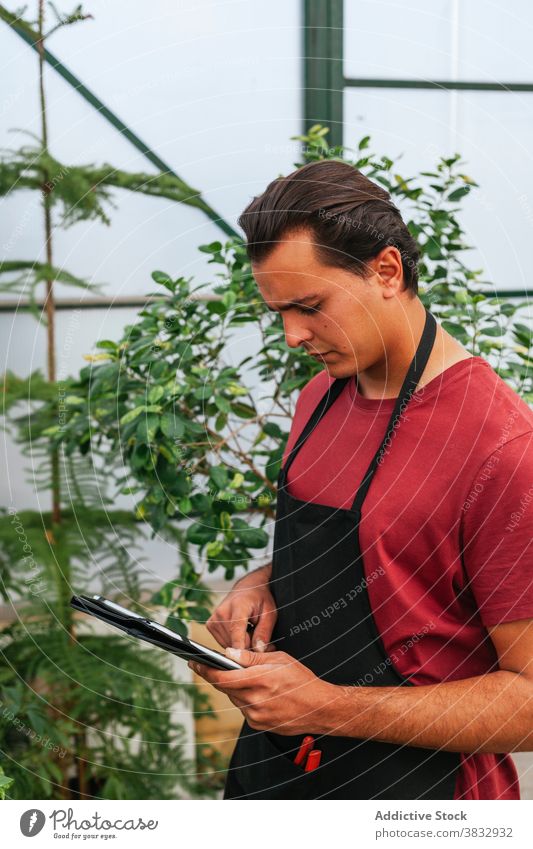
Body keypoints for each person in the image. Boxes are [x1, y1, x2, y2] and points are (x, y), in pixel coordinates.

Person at [190, 160, 533, 800]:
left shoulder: (504, 450)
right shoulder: (318, 398)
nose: (292, 336)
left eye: (310, 306)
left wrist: (325, 707)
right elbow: (392, 556)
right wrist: (263, 585)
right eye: (279, 312)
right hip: (280, 774)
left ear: (386, 271)